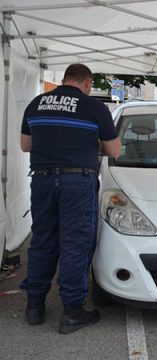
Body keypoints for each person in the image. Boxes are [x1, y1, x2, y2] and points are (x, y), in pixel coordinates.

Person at [19, 64, 121, 334]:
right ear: (87, 83)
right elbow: (114, 150)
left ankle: (35, 306)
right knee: (75, 243)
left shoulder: (37, 103)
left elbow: (25, 145)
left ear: (64, 79)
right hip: (77, 181)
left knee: (43, 240)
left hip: (42, 179)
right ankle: (73, 311)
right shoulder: (94, 107)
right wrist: (91, 142)